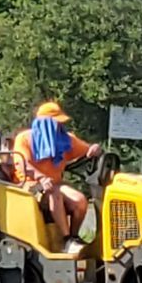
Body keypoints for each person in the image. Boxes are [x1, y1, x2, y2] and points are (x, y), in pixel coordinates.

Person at [13, 101, 101, 253]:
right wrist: (41, 178)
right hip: (30, 186)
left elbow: (87, 150)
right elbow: (22, 164)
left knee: (79, 200)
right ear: (45, 124)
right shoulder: (25, 139)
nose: (59, 127)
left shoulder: (64, 139)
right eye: (56, 123)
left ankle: (74, 238)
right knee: (55, 195)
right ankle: (66, 240)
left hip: (55, 183)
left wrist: (94, 149)